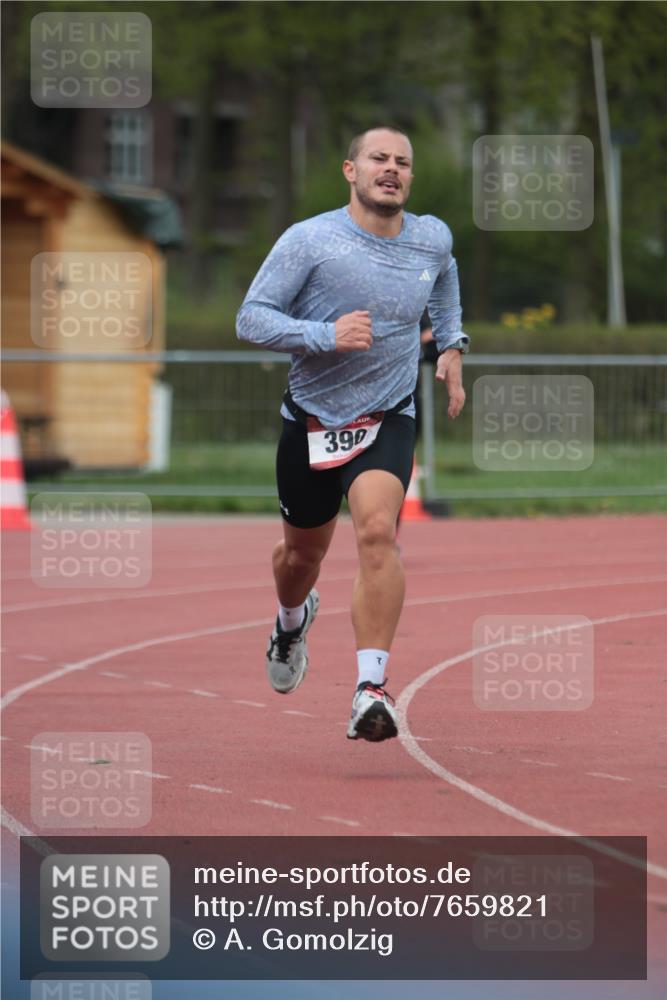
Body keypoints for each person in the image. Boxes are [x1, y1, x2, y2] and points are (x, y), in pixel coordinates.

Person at [236, 126, 469, 743]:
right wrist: (323, 335)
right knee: (300, 558)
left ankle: (371, 689)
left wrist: (451, 344)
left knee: (375, 531)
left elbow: (444, 280)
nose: (390, 169)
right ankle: (291, 621)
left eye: (402, 162)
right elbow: (250, 318)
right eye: (378, 159)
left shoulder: (431, 237)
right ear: (351, 170)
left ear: (410, 178)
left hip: (388, 414)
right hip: (311, 419)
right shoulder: (309, 240)